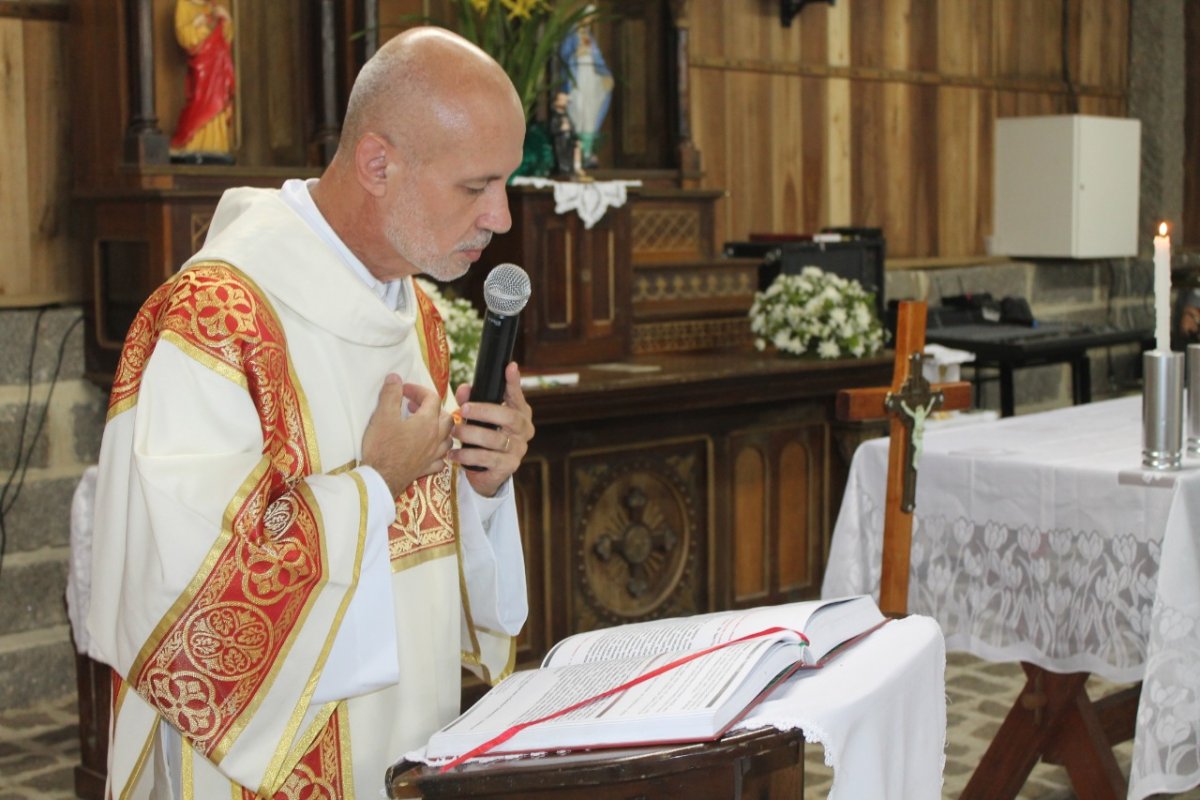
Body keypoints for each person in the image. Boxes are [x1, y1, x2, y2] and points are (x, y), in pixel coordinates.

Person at [86, 27, 533, 798]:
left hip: (401, 748)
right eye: (476, 186)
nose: (502, 217)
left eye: (507, 184)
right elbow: (182, 603)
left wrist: (481, 486)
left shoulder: (417, 316)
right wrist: (372, 485)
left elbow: (419, 570)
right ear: (377, 163)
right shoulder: (219, 321)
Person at [170, 0, 236, 162]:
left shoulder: (213, 6)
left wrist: (226, 20)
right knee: (200, 100)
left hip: (218, 65)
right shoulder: (184, 5)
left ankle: (218, 144)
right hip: (202, 65)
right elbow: (185, 37)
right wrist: (197, 22)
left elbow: (227, 37)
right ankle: (194, 143)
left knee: (218, 101)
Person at [559, 14, 613, 169]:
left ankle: (586, 153)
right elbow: (563, 56)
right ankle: (575, 153)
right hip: (576, 79)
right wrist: (576, 55)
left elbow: (598, 60)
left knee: (589, 113)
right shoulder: (570, 36)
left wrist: (605, 76)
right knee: (577, 111)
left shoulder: (590, 39)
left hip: (589, 79)